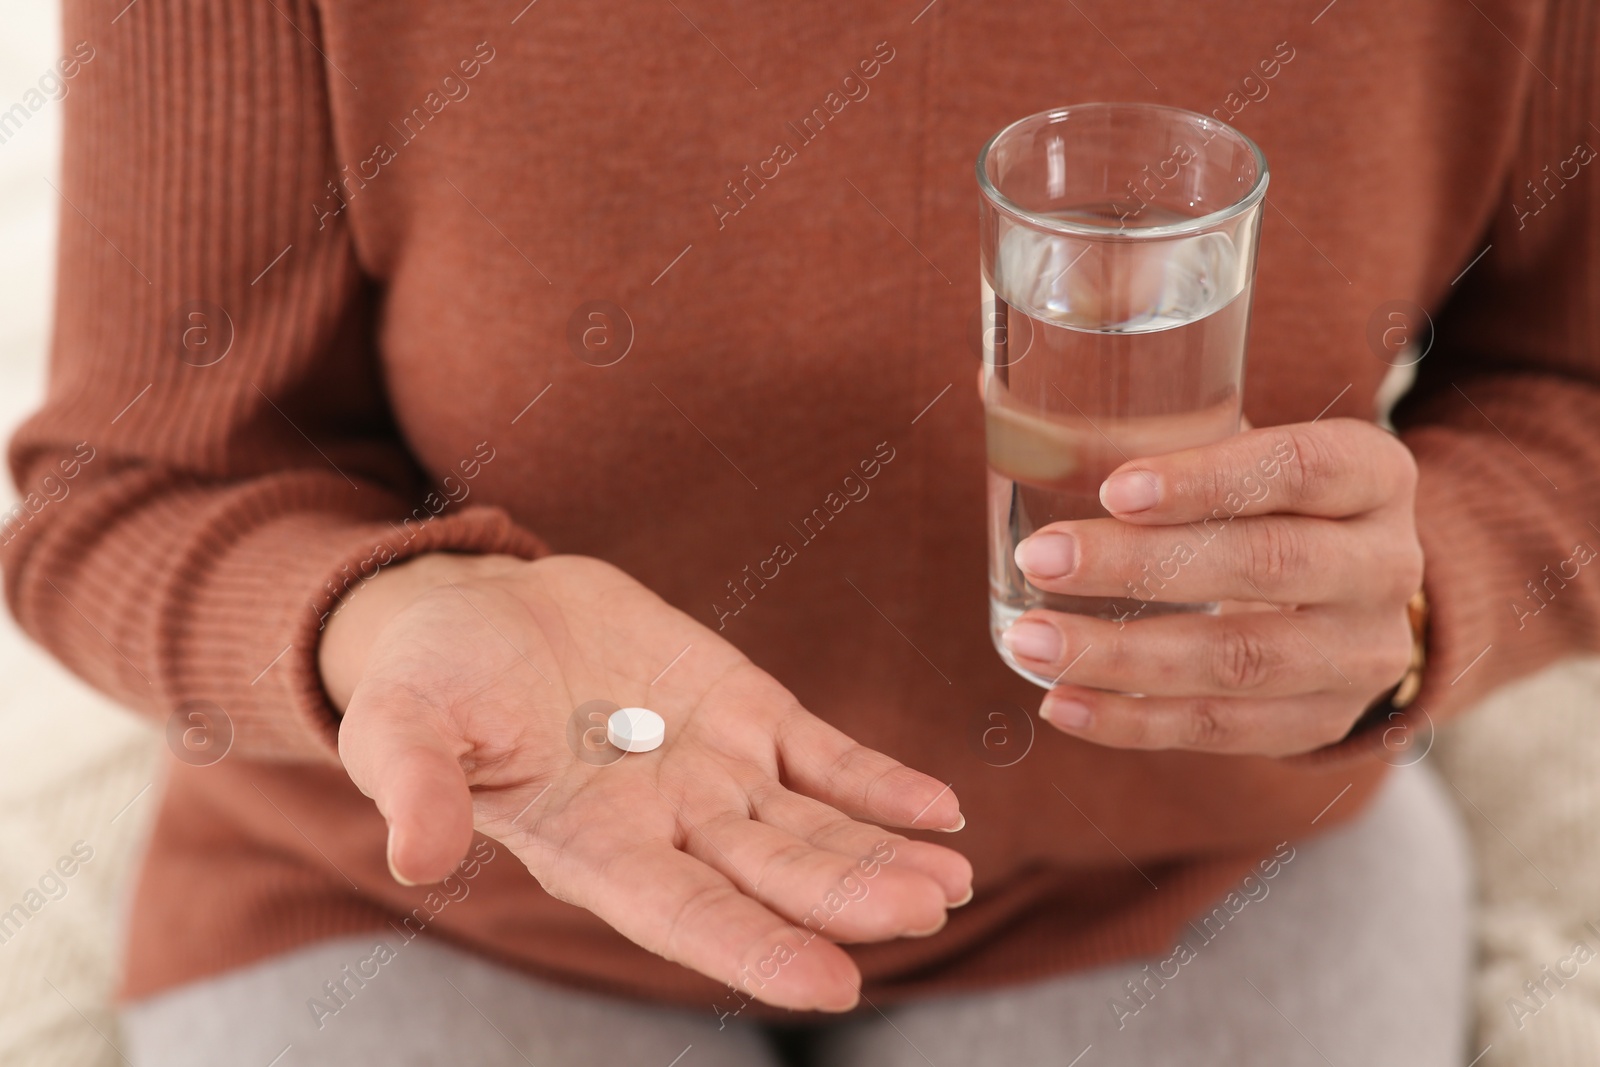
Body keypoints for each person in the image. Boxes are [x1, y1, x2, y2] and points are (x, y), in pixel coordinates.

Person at [5, 0, 1597, 1063]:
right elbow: (133, 483)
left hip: (1193, 872)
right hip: (436, 890)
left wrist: (1423, 595)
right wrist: (389, 621)